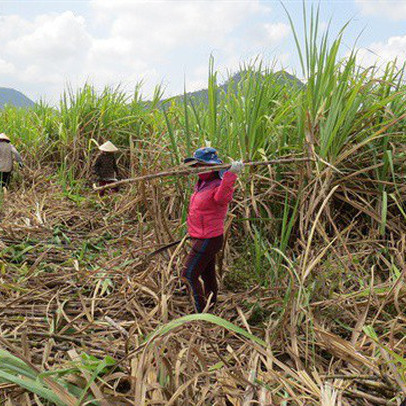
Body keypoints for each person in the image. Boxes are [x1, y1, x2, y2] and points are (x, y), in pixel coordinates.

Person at [181, 147, 243, 313]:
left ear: (211, 166)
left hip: (209, 238)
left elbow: (223, 198)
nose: (198, 169)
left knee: (188, 275)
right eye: (197, 166)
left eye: (202, 165)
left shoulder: (218, 185)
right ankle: (211, 304)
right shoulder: (202, 183)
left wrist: (231, 175)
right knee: (207, 274)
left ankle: (200, 312)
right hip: (200, 237)